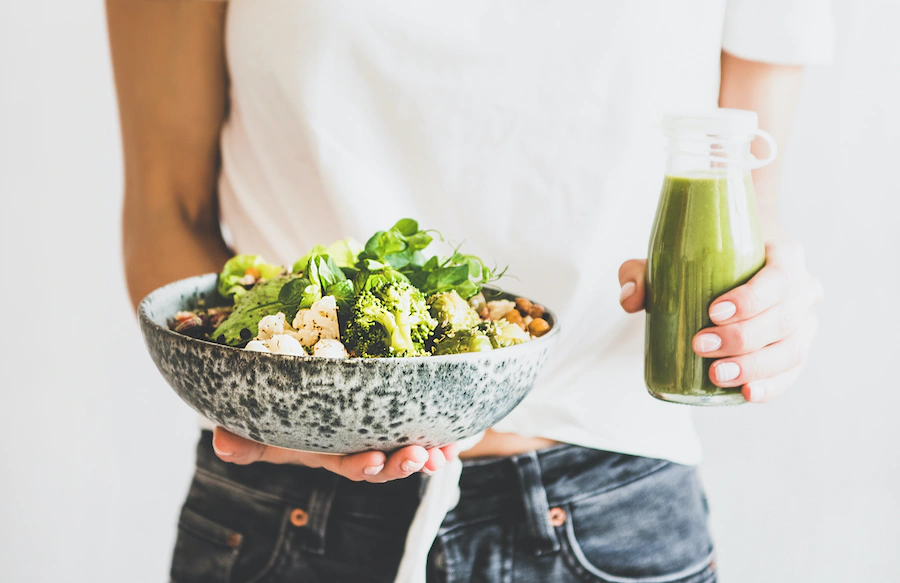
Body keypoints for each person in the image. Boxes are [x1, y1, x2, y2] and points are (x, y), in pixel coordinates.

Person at [108, 1, 830, 581]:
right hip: (288, 510)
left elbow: (748, 193)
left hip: (610, 508)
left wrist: (764, 309)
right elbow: (169, 209)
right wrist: (278, 406)